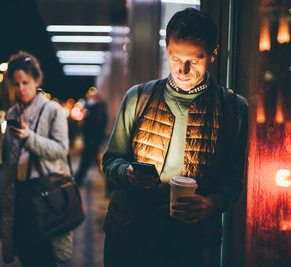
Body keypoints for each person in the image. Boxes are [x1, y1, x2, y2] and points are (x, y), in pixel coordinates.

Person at [102, 8, 248, 267]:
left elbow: (234, 181)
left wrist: (211, 204)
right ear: (166, 49)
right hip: (132, 232)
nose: (183, 69)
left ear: (214, 53)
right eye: (175, 57)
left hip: (191, 241)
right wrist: (128, 173)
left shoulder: (233, 108)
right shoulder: (139, 97)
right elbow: (111, 160)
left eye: (195, 59)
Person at [0, 51, 69, 267]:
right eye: (15, 84)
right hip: (18, 194)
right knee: (25, 252)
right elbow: (8, 156)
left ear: (36, 81)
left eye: (25, 82)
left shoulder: (53, 111)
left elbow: (61, 150)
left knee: (47, 256)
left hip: (45, 192)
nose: (20, 88)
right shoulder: (12, 113)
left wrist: (29, 138)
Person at [74, 87, 108, 186]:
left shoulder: (97, 107)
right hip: (92, 140)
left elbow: (97, 124)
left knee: (89, 162)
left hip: (93, 140)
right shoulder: (95, 107)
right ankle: (77, 180)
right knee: (93, 162)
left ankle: (77, 181)